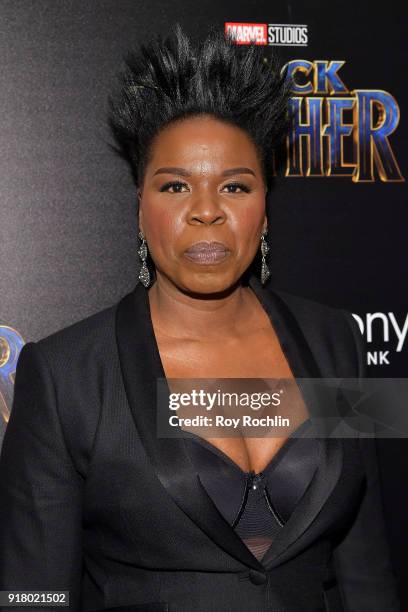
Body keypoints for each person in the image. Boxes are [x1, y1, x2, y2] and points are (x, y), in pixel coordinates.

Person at [0, 23, 400, 612]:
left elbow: (367, 570)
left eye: (235, 186)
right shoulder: (65, 375)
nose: (206, 212)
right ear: (141, 207)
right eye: (176, 186)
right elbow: (33, 594)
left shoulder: (335, 341)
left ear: (265, 207)